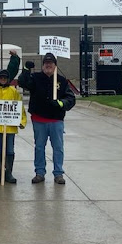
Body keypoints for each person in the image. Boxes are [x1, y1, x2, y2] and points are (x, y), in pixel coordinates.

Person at [18, 52, 76, 184]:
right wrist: (26, 70)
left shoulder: (61, 80)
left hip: (56, 120)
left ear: (55, 65)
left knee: (58, 147)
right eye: (46, 63)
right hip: (39, 119)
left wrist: (61, 104)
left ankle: (58, 173)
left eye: (51, 63)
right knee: (39, 147)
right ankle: (39, 172)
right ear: (43, 65)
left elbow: (70, 98)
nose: (48, 65)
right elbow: (23, 83)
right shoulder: (35, 77)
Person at [0, 70, 27, 183]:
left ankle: (8, 173)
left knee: (10, 151)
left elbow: (19, 107)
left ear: (8, 80)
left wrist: (22, 121)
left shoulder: (13, 91)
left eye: (5, 78)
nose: (3, 80)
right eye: (1, 78)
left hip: (10, 127)